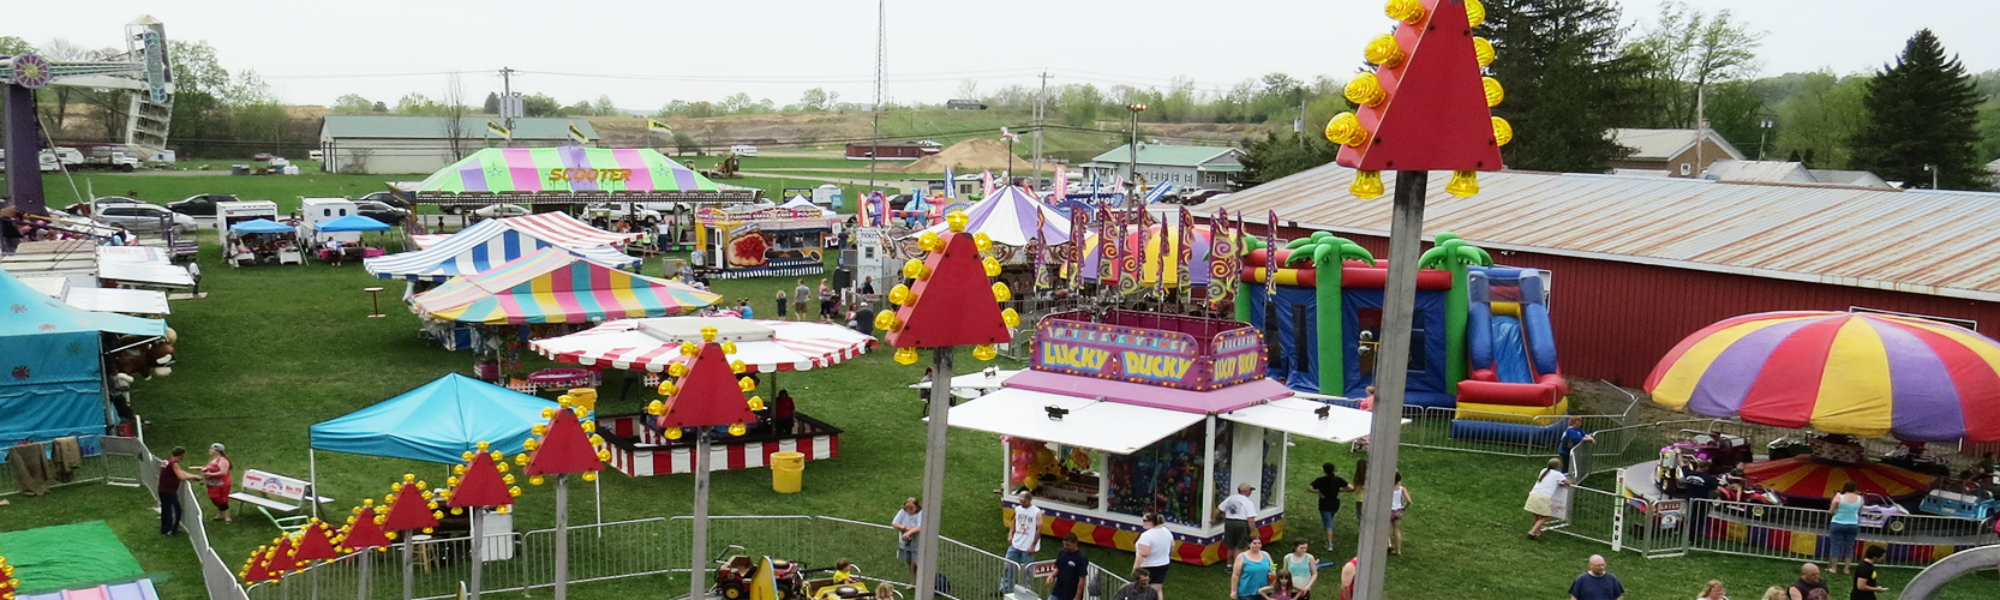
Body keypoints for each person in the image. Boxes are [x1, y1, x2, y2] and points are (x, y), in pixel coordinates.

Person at [999, 492, 1042, 594]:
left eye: (1024, 501)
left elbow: (1039, 529)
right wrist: (1010, 534)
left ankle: (1025, 591)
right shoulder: (1018, 509)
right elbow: (1014, 522)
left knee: (1027, 571)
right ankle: (1005, 589)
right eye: (1020, 501)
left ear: (1029, 500)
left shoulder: (1036, 512)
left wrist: (1033, 545)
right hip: (1016, 544)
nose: (1022, 503)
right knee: (1008, 565)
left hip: (1028, 547)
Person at [157, 447, 198, 537]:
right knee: (176, 510)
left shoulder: (167, 461)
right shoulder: (174, 464)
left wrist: (194, 476)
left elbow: (180, 472)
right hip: (169, 490)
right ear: (181, 455)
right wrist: (194, 477)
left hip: (162, 489)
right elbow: (181, 476)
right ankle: (171, 530)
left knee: (166, 510)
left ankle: (165, 530)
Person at [1526, 457, 1571, 539]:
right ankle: (1532, 531)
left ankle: (1537, 532)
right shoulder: (1558, 474)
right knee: (1545, 516)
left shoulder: (1543, 471)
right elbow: (1568, 483)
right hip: (1544, 496)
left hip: (1534, 494)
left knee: (1536, 514)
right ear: (1558, 466)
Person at [1308, 463, 1350, 551]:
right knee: (1329, 520)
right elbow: (1351, 488)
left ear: (1324, 470)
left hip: (1324, 504)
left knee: (1328, 524)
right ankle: (1328, 538)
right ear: (1334, 469)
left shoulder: (1320, 480)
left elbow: (1309, 488)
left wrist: (1318, 492)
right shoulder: (1338, 480)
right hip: (1335, 504)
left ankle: (1330, 544)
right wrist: (1341, 490)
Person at [1133, 512, 1173, 600]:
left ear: (1151, 522)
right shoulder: (1166, 531)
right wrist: (1167, 557)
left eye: (1144, 520)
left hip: (1147, 567)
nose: (1142, 522)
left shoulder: (1146, 536)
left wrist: (1135, 568)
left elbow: (1143, 554)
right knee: (1157, 590)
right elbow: (1172, 545)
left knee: (1141, 590)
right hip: (1163, 565)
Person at [1217, 483, 1259, 562]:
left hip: (1229, 523)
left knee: (1230, 546)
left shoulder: (1231, 498)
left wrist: (1214, 519)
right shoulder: (1248, 502)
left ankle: (1229, 564)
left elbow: (1219, 509)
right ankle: (1237, 566)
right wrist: (1253, 532)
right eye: (1250, 490)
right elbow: (1250, 519)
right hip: (1241, 523)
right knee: (1239, 547)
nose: (1250, 492)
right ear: (1246, 491)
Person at [1826, 482, 1862, 574]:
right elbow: (1859, 511)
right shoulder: (1860, 499)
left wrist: (1832, 510)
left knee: (1835, 545)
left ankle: (1833, 568)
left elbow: (1832, 511)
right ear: (1855, 489)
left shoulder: (1839, 497)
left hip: (1838, 523)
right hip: (1853, 524)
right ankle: (1846, 569)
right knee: (1849, 547)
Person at [1047, 533, 1089, 600]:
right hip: (1058, 590)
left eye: (1068, 545)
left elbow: (1082, 579)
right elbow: (1058, 568)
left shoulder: (1081, 558)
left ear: (1075, 543)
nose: (1065, 546)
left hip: (1071, 593)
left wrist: (1077, 596)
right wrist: (1052, 575)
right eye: (1064, 544)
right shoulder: (1062, 553)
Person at [200, 443, 233, 523]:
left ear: (217, 451)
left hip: (222, 483)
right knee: (214, 498)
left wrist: (210, 474)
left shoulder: (223, 460)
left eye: (212, 449)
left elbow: (223, 472)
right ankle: (220, 514)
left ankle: (227, 516)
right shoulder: (214, 460)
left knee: (221, 499)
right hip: (213, 483)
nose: (210, 451)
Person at [892, 498, 922, 579]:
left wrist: (909, 532)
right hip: (906, 543)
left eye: (911, 508)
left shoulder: (920, 514)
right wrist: (905, 528)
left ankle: (920, 581)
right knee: (909, 561)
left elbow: (920, 527)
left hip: (917, 543)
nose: (909, 510)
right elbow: (894, 523)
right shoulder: (902, 512)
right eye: (907, 508)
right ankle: (913, 581)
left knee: (917, 563)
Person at [1388, 472, 1410, 555]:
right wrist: (1404, 508)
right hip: (1397, 511)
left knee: (1385, 529)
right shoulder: (1402, 489)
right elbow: (1409, 501)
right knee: (1396, 530)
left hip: (1388, 511)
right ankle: (1398, 550)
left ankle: (1388, 544)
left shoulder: (1387, 488)